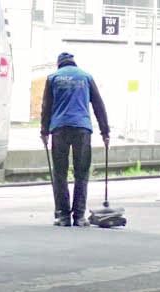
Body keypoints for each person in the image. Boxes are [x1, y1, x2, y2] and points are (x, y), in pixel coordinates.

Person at [40, 53, 110, 227]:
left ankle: (63, 216)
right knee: (81, 173)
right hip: (82, 129)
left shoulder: (52, 78)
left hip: (59, 129)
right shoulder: (86, 77)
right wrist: (105, 131)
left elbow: (46, 107)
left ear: (59, 65)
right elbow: (98, 105)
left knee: (60, 174)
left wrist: (44, 131)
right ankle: (79, 216)